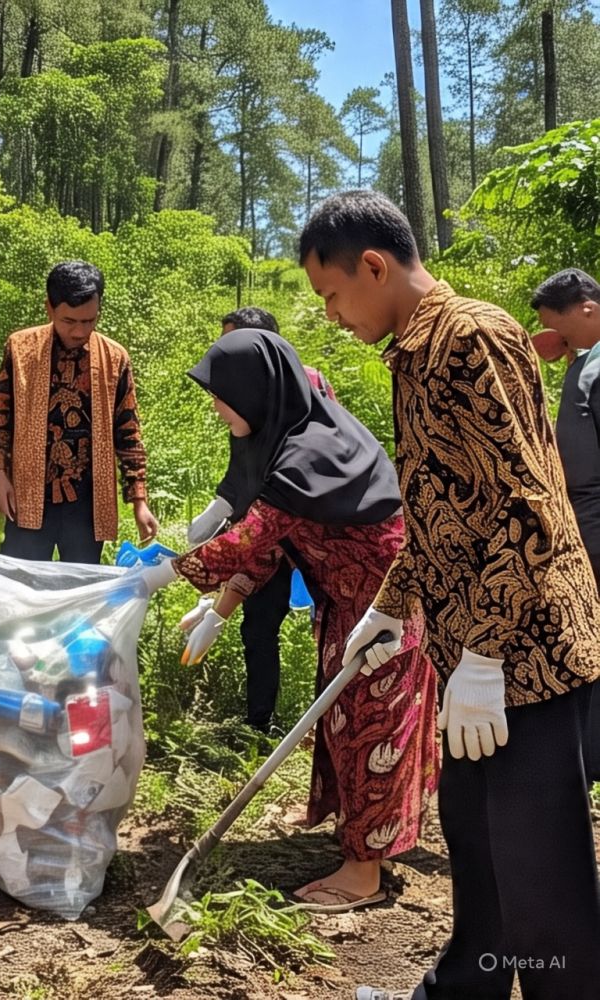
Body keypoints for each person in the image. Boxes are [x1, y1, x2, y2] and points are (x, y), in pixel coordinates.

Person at [299, 190, 600, 1000]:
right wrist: (391, 606)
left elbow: (525, 507)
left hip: (525, 655)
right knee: (480, 850)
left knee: (540, 880)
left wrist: (486, 659)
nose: (330, 314)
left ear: (374, 265)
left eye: (332, 294)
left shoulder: (467, 337)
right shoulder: (416, 351)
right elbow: (445, 510)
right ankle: (463, 988)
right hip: (477, 655)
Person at [143, 329, 440, 912]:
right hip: (349, 602)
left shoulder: (310, 453)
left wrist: (154, 578)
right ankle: (352, 836)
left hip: (384, 608)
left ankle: (363, 872)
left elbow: (250, 539)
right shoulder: (287, 437)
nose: (214, 405)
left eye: (220, 394)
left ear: (254, 393)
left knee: (371, 731)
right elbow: (274, 545)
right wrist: (219, 608)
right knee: (344, 727)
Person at [188, 304, 338, 732]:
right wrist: (221, 506)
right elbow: (246, 466)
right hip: (270, 521)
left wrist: (216, 602)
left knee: (330, 626)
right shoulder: (246, 394)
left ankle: (323, 723)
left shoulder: (305, 394)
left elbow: (275, 510)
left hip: (312, 530)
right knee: (259, 624)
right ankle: (260, 725)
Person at [0, 260, 159, 563]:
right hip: (28, 492)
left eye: (89, 321)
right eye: (69, 321)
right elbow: (1, 417)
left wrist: (139, 500)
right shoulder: (20, 348)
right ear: (49, 309)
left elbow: (128, 431)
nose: (79, 331)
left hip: (88, 501)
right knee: (21, 585)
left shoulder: (115, 358)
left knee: (80, 591)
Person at [530, 268, 600, 588]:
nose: (555, 340)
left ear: (589, 310)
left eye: (556, 329)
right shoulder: (585, 365)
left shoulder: (591, 371)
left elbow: (586, 477)